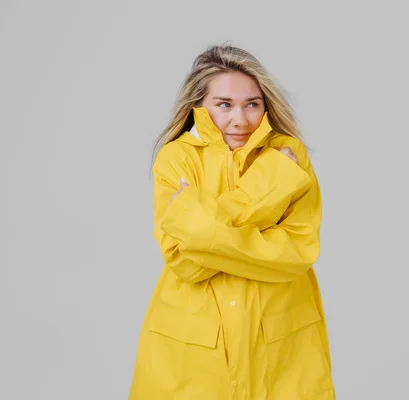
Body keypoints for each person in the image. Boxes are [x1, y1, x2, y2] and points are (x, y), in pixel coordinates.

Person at [128, 45, 335, 399]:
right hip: (194, 346)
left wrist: (201, 226)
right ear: (199, 106)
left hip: (281, 341)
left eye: (252, 104)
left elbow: (298, 251)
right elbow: (183, 261)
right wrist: (268, 186)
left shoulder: (289, 154)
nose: (240, 119)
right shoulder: (176, 158)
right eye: (224, 104)